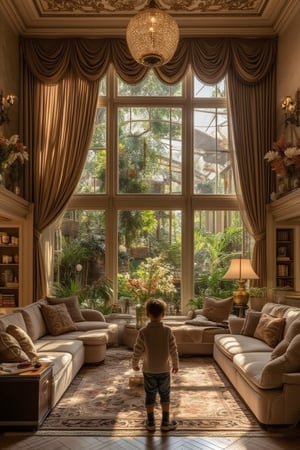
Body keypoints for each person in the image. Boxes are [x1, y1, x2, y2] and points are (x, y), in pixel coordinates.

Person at [132, 298, 179, 432]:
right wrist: (175, 364)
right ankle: (165, 423)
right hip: (164, 370)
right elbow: (173, 349)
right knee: (165, 395)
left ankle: (151, 422)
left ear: (147, 314)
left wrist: (134, 363)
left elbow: (137, 350)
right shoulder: (167, 331)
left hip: (149, 370)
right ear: (163, 314)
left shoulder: (143, 332)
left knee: (150, 395)